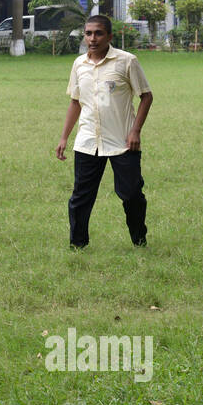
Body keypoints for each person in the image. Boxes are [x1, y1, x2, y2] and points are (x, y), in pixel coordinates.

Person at [56, 14, 153, 248]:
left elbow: (146, 96)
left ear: (109, 36)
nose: (92, 38)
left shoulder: (127, 61)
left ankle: (139, 238)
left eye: (98, 33)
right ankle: (77, 245)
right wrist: (64, 137)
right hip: (88, 140)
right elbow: (75, 102)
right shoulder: (79, 64)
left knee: (131, 195)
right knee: (80, 197)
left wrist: (135, 131)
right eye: (88, 33)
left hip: (123, 142)